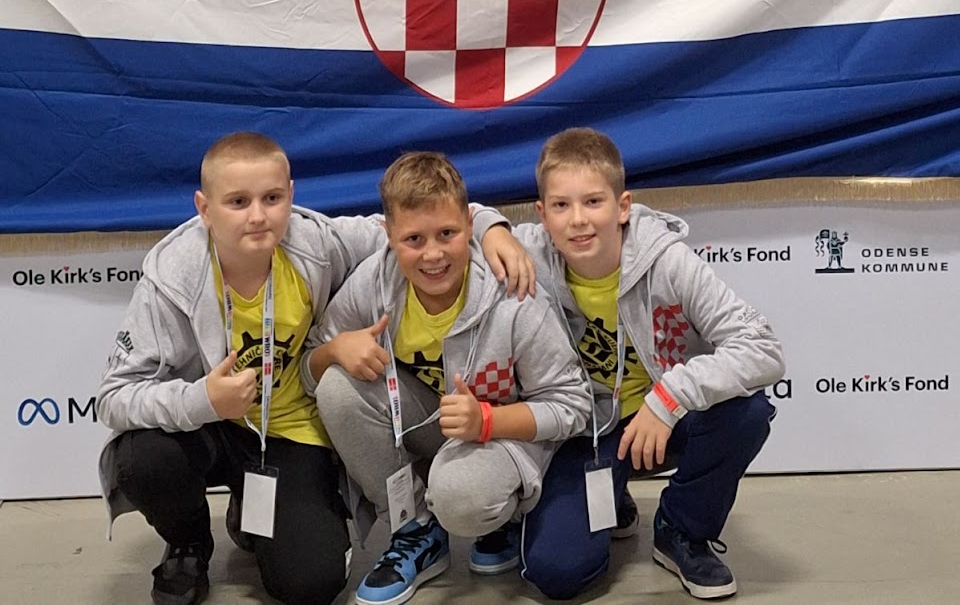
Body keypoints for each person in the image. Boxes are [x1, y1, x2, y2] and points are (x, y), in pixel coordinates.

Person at [95, 131, 532, 605]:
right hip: (208, 426)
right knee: (143, 458)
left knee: (310, 585)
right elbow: (114, 398)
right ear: (204, 208)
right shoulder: (172, 276)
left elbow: (419, 221)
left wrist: (492, 227)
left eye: (272, 198)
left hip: (289, 435)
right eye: (238, 202)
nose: (258, 215)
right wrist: (203, 399)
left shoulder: (315, 242)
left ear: (291, 195)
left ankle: (253, 512)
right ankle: (188, 543)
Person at [511, 127, 785, 601]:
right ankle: (610, 496)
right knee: (557, 574)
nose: (578, 220)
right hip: (582, 431)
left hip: (662, 419)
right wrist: (489, 228)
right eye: (561, 205)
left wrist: (668, 397)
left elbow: (763, 348)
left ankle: (681, 529)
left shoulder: (668, 261)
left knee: (746, 412)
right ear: (541, 214)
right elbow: (434, 232)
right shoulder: (525, 252)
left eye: (593, 202)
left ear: (623, 207)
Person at [309, 151, 592, 605]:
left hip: (503, 432)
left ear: (470, 225)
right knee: (337, 384)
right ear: (388, 236)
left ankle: (503, 514)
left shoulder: (512, 291)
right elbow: (309, 370)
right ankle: (416, 529)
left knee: (462, 497)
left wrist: (489, 422)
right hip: (435, 425)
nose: (433, 254)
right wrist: (333, 350)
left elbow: (574, 405)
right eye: (414, 239)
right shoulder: (374, 281)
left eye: (447, 234)